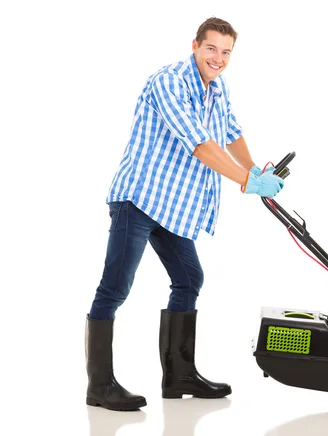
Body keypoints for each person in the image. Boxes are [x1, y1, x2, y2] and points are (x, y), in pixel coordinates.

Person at [84, 17, 284, 411]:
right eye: (211, 49)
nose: (219, 58)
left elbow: (230, 132)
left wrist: (255, 169)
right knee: (115, 288)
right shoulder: (170, 82)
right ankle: (99, 386)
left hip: (171, 206)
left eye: (226, 52)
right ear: (195, 45)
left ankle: (179, 376)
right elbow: (201, 145)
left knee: (189, 278)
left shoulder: (217, 87)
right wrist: (246, 182)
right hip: (139, 198)